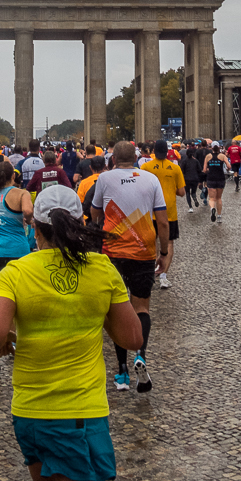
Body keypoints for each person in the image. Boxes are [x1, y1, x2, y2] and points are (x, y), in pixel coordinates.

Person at [0, 185, 141, 481]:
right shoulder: (101, 269)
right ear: (80, 223)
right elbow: (132, 337)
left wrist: (4, 340)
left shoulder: (15, 272)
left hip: (30, 413)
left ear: (34, 228)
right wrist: (99, 312)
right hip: (78, 414)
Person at [91, 141, 169, 393]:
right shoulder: (150, 178)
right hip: (143, 249)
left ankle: (122, 371)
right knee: (141, 307)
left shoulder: (104, 179)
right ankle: (141, 355)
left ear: (113, 159)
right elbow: (163, 221)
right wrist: (164, 252)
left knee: (116, 308)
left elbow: (94, 213)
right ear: (136, 158)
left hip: (113, 251)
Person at [0, 161, 35, 375]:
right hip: (17, 255)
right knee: (17, 303)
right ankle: (11, 346)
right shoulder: (21, 194)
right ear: (14, 176)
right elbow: (28, 212)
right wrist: (27, 221)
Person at [142, 140, 185, 290]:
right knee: (170, 243)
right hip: (169, 212)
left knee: (151, 242)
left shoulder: (145, 167)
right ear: (167, 151)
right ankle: (164, 276)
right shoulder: (175, 168)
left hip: (150, 211)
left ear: (153, 151)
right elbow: (181, 192)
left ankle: (151, 272)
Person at [202, 144, 230, 222]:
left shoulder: (208, 156)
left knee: (211, 198)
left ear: (212, 148)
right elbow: (229, 166)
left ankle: (212, 208)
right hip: (220, 178)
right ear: (219, 147)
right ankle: (219, 216)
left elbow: (204, 170)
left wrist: (208, 169)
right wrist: (227, 169)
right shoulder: (222, 156)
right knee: (219, 198)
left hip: (211, 178)